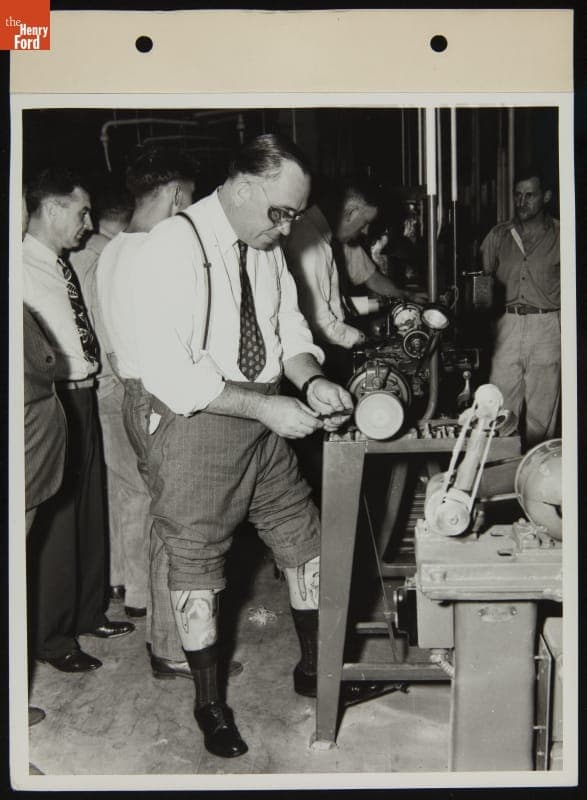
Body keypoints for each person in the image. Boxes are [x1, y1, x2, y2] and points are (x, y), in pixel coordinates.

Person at [113, 134, 391, 759]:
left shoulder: (264, 244)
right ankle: (209, 705)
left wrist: (311, 381)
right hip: (198, 420)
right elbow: (171, 372)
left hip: (266, 417)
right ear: (241, 188)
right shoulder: (173, 246)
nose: (288, 226)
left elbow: (286, 328)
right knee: (197, 561)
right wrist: (268, 407)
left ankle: (316, 672)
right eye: (280, 212)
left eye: (295, 214)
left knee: (304, 539)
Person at [96, 148, 210, 678]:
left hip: (132, 393)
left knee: (156, 515)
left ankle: (163, 635)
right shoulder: (160, 251)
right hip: (160, 397)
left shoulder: (113, 250)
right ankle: (171, 649)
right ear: (175, 194)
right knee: (178, 525)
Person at [23, 167, 134, 674]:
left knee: (90, 510)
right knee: (58, 521)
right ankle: (53, 637)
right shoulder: (21, 267)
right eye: (81, 212)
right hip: (51, 400)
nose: (88, 223)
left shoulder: (61, 265)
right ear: (51, 209)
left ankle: (90, 612)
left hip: (85, 394)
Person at [69, 181, 136, 608]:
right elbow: (111, 333)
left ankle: (115, 578)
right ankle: (139, 590)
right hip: (112, 384)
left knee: (111, 486)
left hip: (87, 387)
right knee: (137, 488)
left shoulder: (73, 255)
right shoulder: (112, 257)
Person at [283, 178, 423, 364]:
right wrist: (367, 341)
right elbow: (322, 324)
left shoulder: (334, 234)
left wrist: (405, 294)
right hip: (315, 351)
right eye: (365, 223)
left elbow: (368, 274)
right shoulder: (309, 242)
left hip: (334, 340)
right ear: (351, 212)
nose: (365, 231)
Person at [480, 167, 560, 450]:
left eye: (530, 195)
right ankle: (501, 467)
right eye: (518, 195)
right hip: (507, 324)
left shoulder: (563, 235)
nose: (522, 202)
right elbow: (482, 283)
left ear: (546, 197)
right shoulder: (499, 235)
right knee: (499, 406)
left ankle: (537, 468)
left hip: (547, 325)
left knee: (542, 409)